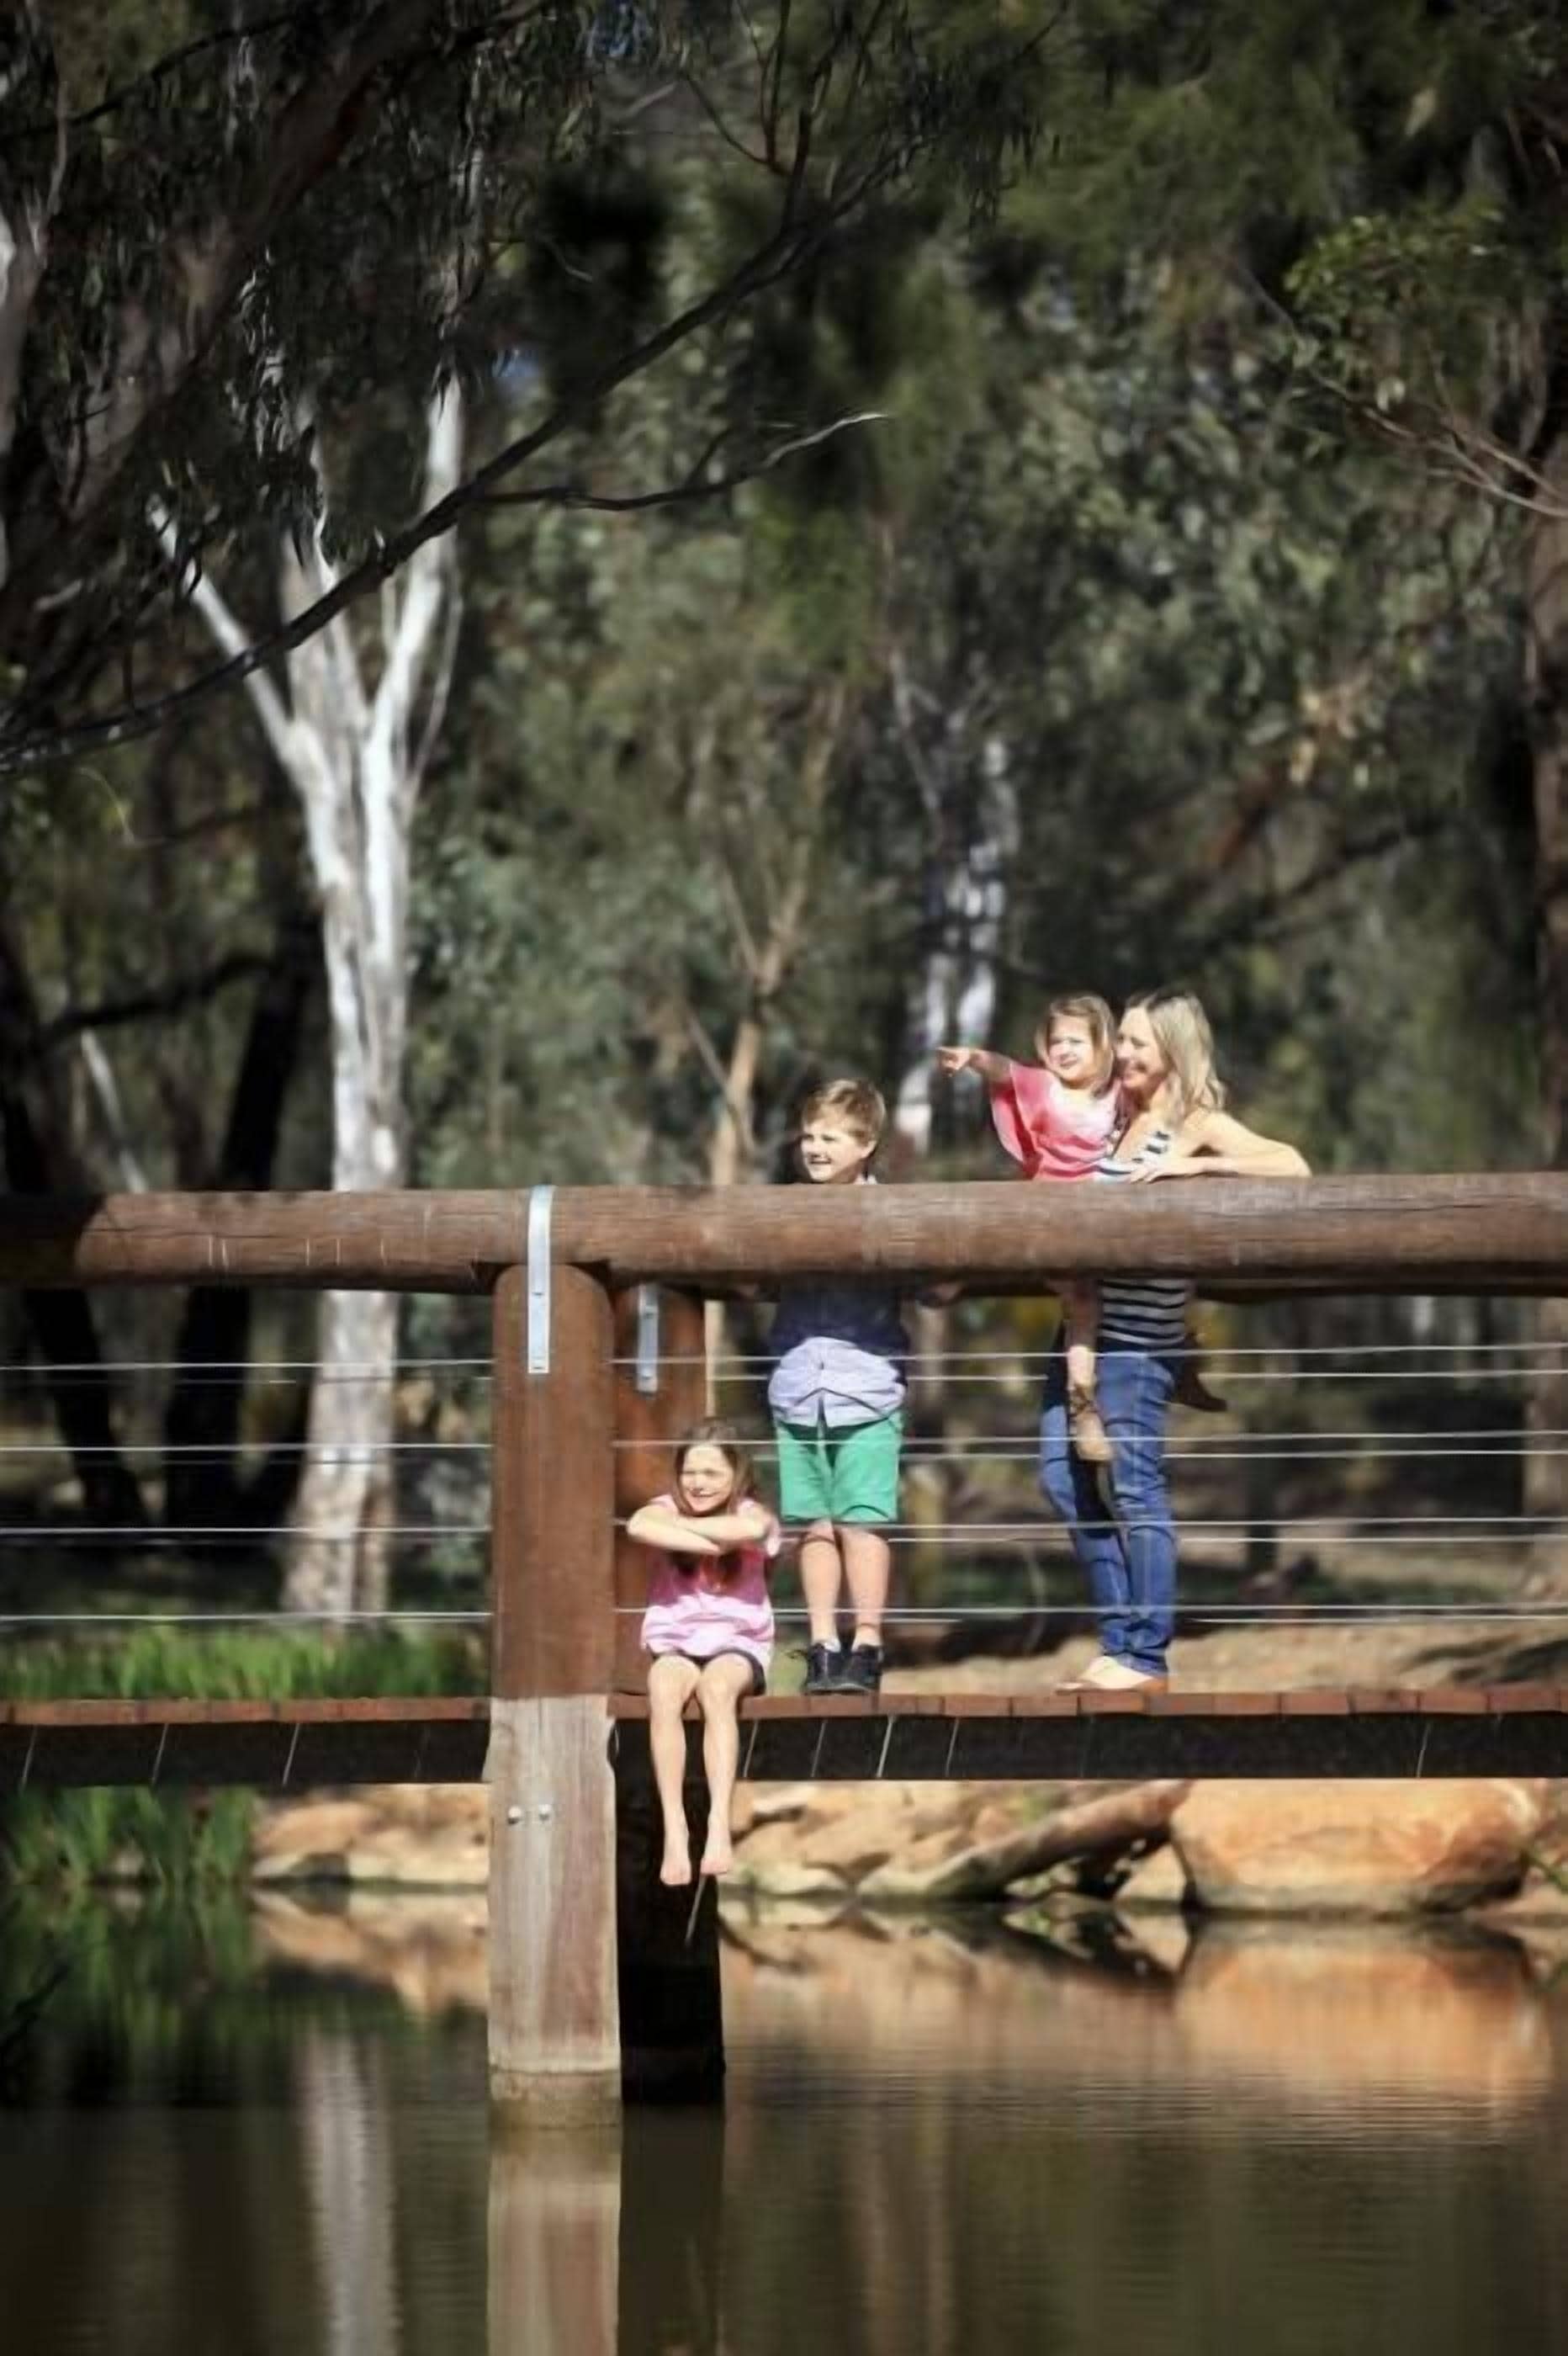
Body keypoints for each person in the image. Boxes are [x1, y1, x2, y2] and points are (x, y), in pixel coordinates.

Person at [1038, 986, 1308, 1693]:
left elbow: (1293, 1167)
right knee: (1063, 1483)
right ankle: (1118, 1637)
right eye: (1120, 1041)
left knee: (1135, 1491)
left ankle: (1145, 1656)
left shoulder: (1195, 1122)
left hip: (1137, 1346)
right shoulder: (1115, 1120)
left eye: (1136, 1043)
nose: (1121, 1054)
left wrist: (1201, 1166)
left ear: (1173, 1050)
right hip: (1080, 1336)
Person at [766, 1076, 914, 1698]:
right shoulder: (781, 1212)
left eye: (831, 1137)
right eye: (809, 1135)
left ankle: (868, 1644)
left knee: (864, 1521)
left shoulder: (896, 1213)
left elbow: (935, 1277)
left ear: (867, 1144)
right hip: (798, 1388)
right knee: (813, 1525)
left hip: (867, 1389)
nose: (815, 1147)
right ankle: (823, 1645)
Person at [937, 995, 1122, 1464]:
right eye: (1056, 1040)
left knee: (1083, 1305)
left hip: (1098, 1220)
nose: (1064, 1050)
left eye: (1076, 1041)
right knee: (992, 1223)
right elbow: (1006, 1071)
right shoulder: (1045, 1087)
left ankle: (1084, 1407)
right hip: (1044, 1211)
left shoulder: (1119, 1095)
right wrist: (974, 1058)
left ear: (1104, 1045)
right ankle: (951, 1274)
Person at [628, 1419, 780, 1886]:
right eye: (690, 1472)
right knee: (663, 1689)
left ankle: (718, 1823)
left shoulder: (757, 1515)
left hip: (738, 1643)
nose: (698, 1483)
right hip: (676, 1641)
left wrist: (684, 1531)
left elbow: (752, 1530)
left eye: (712, 1474)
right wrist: (709, 1539)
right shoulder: (663, 1508)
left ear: (737, 1475)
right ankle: (675, 1828)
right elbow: (638, 1525)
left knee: (717, 1690)